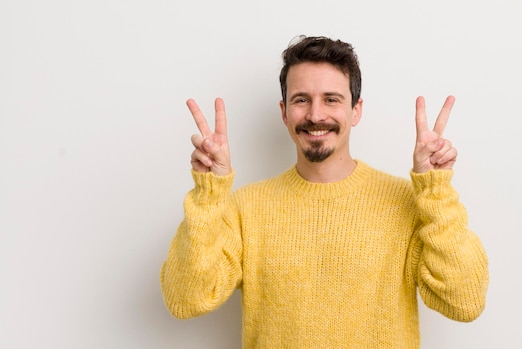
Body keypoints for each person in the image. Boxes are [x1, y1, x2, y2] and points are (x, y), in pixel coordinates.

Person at [161, 35, 489, 348]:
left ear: (356, 110)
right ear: (284, 111)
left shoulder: (407, 203)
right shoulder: (245, 208)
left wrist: (435, 192)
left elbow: (464, 301)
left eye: (331, 99)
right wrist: (209, 192)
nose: (316, 114)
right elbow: (187, 299)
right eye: (301, 100)